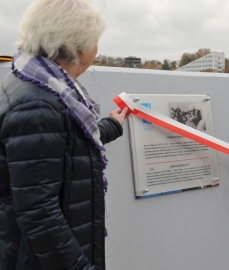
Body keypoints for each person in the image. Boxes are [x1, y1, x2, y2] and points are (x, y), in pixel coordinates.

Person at [0, 0, 128, 269]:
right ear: (79, 47)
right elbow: (39, 215)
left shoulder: (37, 82)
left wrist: (111, 125)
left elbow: (65, 144)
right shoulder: (39, 105)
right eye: (95, 40)